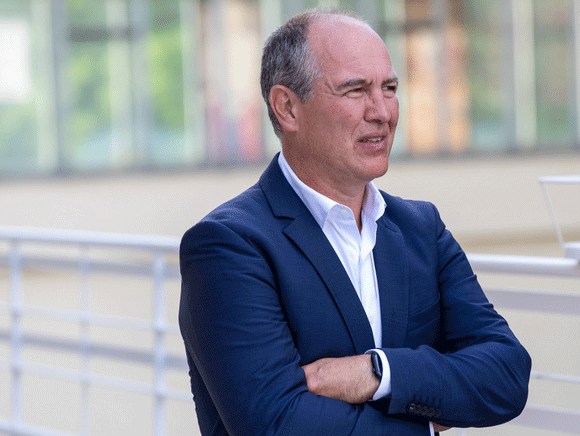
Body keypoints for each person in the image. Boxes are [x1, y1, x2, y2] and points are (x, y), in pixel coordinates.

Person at [178, 8, 531, 436]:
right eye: (356, 90)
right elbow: (275, 424)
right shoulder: (227, 245)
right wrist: (426, 425)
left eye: (390, 88)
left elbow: (506, 375)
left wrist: (377, 373)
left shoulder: (421, 228)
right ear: (287, 108)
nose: (382, 112)